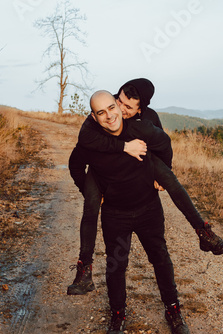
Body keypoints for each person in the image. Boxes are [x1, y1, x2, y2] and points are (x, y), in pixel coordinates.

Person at [67, 79, 223, 297]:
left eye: (127, 107)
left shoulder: (146, 121)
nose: (120, 110)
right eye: (119, 102)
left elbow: (164, 144)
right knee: (90, 204)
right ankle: (84, 268)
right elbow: (80, 152)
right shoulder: (96, 122)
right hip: (102, 178)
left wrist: (161, 176)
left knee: (169, 179)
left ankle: (204, 232)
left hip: (144, 173)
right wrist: (124, 146)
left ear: (140, 110)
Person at [69, 90, 190, 333]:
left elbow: (162, 143)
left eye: (112, 108)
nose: (109, 115)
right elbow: (75, 165)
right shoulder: (93, 140)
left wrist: (163, 172)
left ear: (118, 106)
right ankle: (117, 314)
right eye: (100, 112)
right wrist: (91, 192)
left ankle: (173, 309)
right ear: (93, 116)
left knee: (160, 258)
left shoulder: (136, 129)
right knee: (116, 266)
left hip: (148, 209)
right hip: (115, 215)